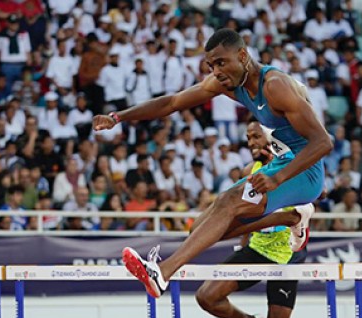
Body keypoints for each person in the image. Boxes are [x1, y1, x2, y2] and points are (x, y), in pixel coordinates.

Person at [94, 28, 331, 299]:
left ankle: (162, 272)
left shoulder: (275, 85)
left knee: (230, 203)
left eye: (220, 63)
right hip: (282, 163)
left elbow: (324, 142)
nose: (215, 71)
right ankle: (294, 216)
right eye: (210, 65)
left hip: (305, 170)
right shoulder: (227, 82)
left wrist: (278, 178)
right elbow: (172, 102)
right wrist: (118, 117)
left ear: (242, 56)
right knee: (203, 228)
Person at [195, 121, 307, 318]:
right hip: (257, 250)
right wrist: (240, 243)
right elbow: (244, 210)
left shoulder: (293, 167)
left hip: (286, 258)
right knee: (206, 296)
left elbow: (301, 207)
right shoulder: (253, 167)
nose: (250, 141)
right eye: (247, 137)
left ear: (271, 136)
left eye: (255, 135)